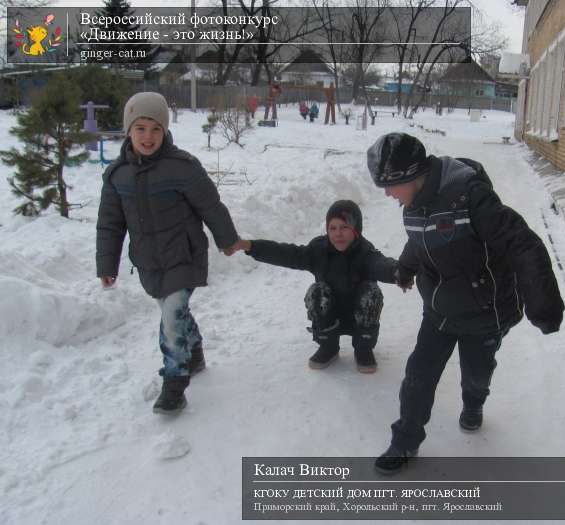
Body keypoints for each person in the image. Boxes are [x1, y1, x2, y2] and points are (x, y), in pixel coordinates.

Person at [366, 133, 565, 474]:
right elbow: (419, 242)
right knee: (418, 376)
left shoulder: (471, 199)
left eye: (390, 185)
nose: (387, 194)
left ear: (412, 177)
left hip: (485, 313)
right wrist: (405, 269)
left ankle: (474, 403)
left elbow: (523, 244)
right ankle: (404, 442)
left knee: (476, 373)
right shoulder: (412, 206)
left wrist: (542, 303)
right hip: (440, 312)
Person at [96, 92, 239, 415]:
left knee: (171, 317)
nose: (148, 137)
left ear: (165, 131)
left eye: (156, 129)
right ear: (128, 131)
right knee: (173, 313)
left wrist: (227, 239)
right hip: (148, 261)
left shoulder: (182, 168)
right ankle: (196, 350)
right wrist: (107, 263)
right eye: (141, 128)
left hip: (184, 256)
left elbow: (210, 207)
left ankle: (175, 383)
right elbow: (109, 224)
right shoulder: (117, 175)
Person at [231, 200, 398, 373]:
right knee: (317, 293)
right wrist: (249, 245)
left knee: (372, 293)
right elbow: (287, 253)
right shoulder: (318, 250)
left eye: (344, 227)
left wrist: (399, 272)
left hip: (358, 314)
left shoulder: (365, 252)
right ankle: (329, 346)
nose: (338, 234)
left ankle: (363, 348)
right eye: (332, 228)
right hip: (329, 312)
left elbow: (380, 264)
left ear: (356, 229)